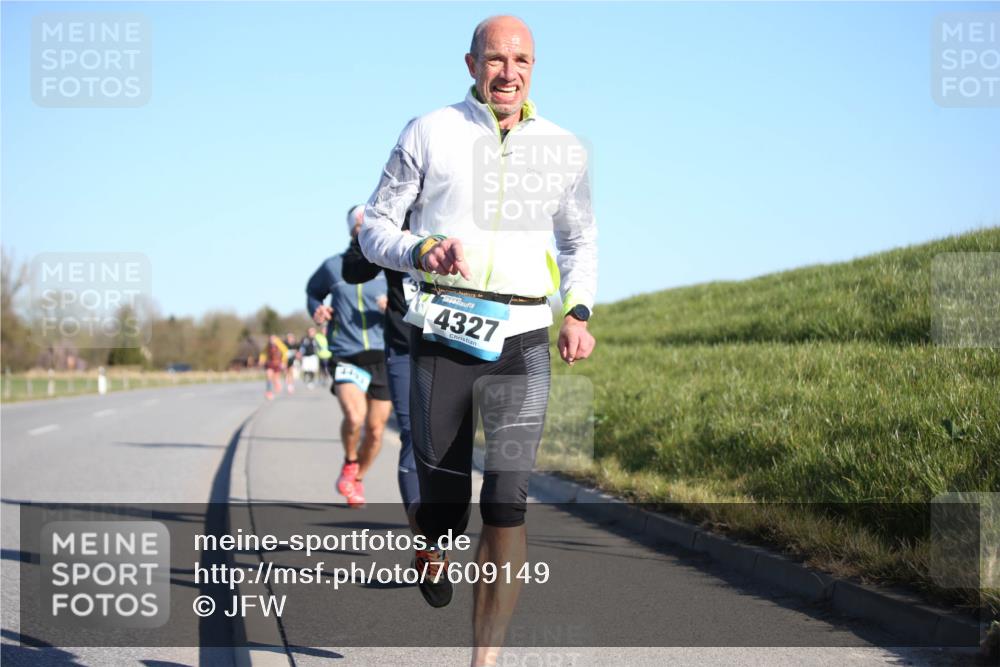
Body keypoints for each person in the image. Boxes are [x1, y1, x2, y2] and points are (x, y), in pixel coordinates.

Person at [359, 15, 597, 667]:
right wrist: (419, 247)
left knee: (506, 500)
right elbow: (374, 225)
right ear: (470, 65)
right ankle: (431, 542)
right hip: (443, 334)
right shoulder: (428, 132)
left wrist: (577, 310)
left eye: (521, 60)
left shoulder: (563, 148)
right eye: (495, 59)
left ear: (534, 68)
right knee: (443, 504)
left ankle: (483, 660)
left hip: (523, 335)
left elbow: (578, 241)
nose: (508, 72)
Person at [306, 212, 392, 508]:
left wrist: (395, 304)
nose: (363, 232)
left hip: (382, 355)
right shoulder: (333, 266)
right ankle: (349, 462)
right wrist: (317, 308)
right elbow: (312, 291)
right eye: (358, 228)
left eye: (368, 227)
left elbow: (414, 294)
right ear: (351, 232)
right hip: (346, 353)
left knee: (376, 430)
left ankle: (357, 478)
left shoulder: (389, 267)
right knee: (354, 417)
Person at [342, 204, 421, 514]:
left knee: (448, 437)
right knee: (412, 434)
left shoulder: (447, 214)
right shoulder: (389, 225)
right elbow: (352, 272)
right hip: (402, 346)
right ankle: (426, 538)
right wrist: (369, 230)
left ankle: (445, 516)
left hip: (451, 345)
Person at [257, 334, 288, 400]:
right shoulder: (268, 345)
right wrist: (261, 360)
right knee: (268, 375)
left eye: (273, 339)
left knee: (275, 378)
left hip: (277, 363)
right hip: (270, 363)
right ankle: (269, 392)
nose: (271, 340)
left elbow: (285, 352)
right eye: (270, 339)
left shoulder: (279, 344)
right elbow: (263, 353)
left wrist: (283, 362)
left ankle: (277, 384)